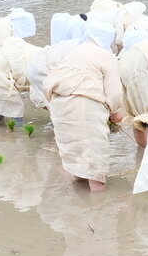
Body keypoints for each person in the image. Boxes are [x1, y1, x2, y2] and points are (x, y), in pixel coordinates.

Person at [41, 23, 125, 192]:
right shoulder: (105, 56)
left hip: (58, 102)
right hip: (84, 104)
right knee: (93, 152)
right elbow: (114, 90)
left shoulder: (73, 52)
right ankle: (97, 199)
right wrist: (115, 111)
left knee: (73, 147)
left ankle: (79, 196)